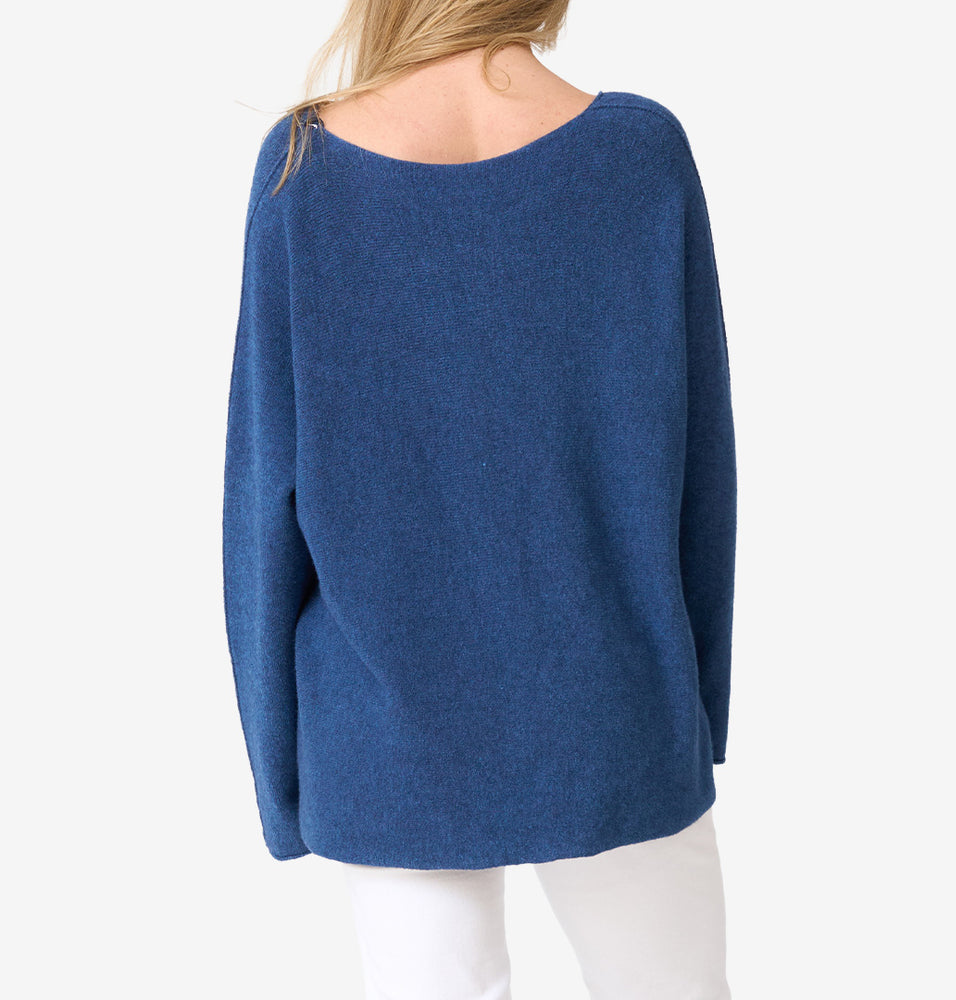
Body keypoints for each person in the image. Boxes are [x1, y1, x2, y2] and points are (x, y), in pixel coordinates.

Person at [223, 3, 737, 997]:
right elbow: (701, 472)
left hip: (385, 739)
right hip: (615, 709)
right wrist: (693, 715)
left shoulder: (303, 171)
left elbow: (261, 507)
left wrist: (283, 777)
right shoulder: (640, 154)